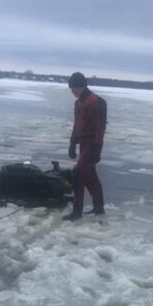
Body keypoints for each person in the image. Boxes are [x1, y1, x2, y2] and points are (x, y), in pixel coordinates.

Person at [64, 72, 106, 221]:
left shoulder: (97, 101)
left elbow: (100, 127)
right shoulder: (78, 102)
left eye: (73, 88)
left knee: (77, 175)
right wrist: (72, 142)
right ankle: (99, 208)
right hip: (83, 143)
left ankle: (77, 212)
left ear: (81, 86)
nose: (72, 91)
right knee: (90, 177)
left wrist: (97, 149)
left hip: (92, 144)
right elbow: (77, 124)